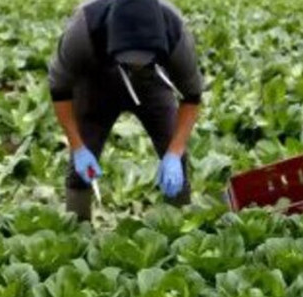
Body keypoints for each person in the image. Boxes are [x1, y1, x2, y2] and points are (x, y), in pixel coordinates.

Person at [47, 0, 204, 221]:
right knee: (79, 166)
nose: (135, 65)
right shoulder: (84, 29)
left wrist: (175, 152)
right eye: (130, 60)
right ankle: (77, 231)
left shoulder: (174, 31)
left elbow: (192, 96)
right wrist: (78, 147)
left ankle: (178, 227)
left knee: (176, 157)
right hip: (97, 82)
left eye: (142, 59)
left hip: (154, 82)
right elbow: (59, 90)